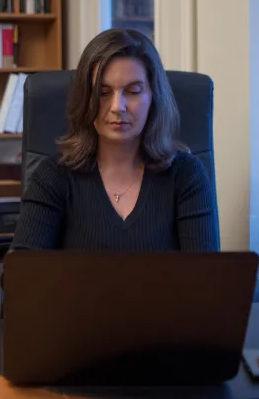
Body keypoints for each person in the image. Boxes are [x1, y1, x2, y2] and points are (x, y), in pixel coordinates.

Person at [11, 28, 219, 252]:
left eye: (133, 91)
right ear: (86, 99)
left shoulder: (186, 175)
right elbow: (23, 270)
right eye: (103, 92)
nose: (117, 107)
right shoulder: (53, 177)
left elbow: (204, 272)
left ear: (153, 97)